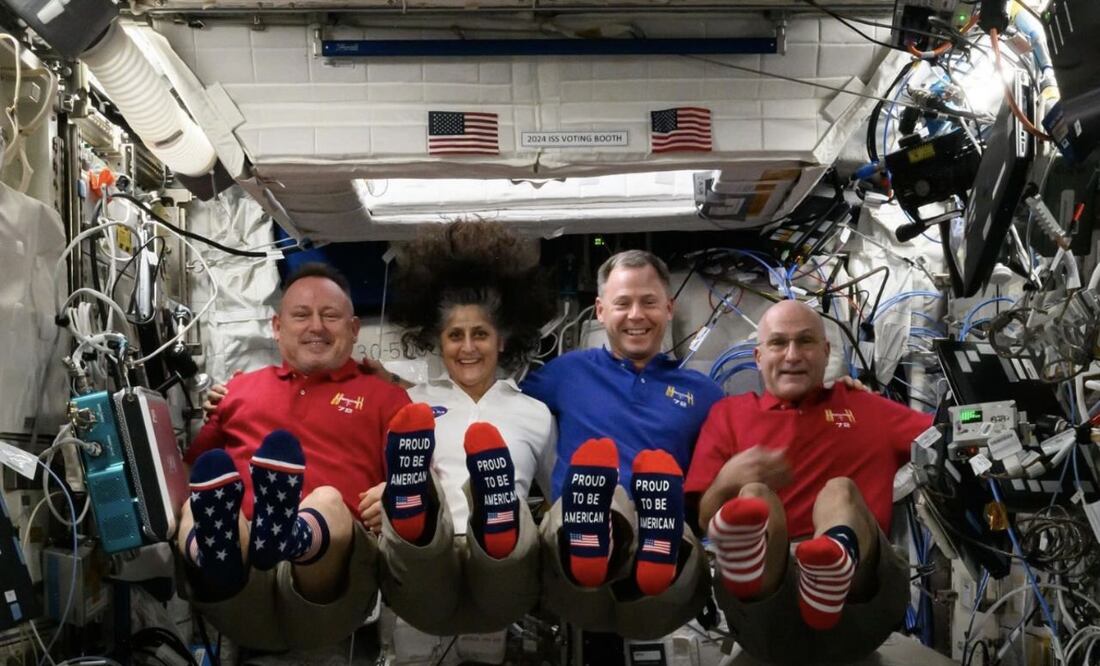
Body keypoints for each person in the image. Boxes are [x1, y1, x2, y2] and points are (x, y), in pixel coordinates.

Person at [685, 299, 932, 664]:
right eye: (778, 343)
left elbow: (949, 435)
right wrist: (727, 480)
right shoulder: (729, 416)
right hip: (768, 606)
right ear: (757, 356)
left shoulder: (866, 409)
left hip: (859, 598)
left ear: (826, 351)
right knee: (754, 496)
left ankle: (833, 558)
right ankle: (756, 570)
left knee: (841, 491)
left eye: (805, 341)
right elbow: (704, 517)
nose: (792, 355)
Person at [180, 262, 411, 651]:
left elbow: (421, 482)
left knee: (326, 501)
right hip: (238, 577)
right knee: (197, 500)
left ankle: (293, 536)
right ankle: (215, 555)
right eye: (301, 315)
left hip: (330, 581)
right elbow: (192, 470)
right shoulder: (237, 391)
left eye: (330, 315)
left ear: (354, 329)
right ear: (276, 327)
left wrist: (393, 491)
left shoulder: (387, 398)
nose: (316, 326)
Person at [359, 220, 558, 638]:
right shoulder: (409, 405)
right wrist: (389, 494)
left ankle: (496, 510)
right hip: (431, 562)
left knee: (508, 543)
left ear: (502, 340)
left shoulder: (535, 413)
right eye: (455, 335)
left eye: (480, 334)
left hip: (504, 576)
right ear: (438, 341)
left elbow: (555, 498)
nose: (468, 348)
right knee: (421, 540)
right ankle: (417, 508)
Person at [520, 249, 725, 639]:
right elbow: (491, 402)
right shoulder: (565, 373)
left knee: (665, 528)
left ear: (669, 307)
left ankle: (656, 532)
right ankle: (600, 525)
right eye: (622, 303)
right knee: (601, 494)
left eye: (649, 302)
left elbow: (756, 424)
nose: (636, 315)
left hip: (663, 564)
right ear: (600, 310)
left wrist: (836, 391)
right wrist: (400, 389)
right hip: (574, 552)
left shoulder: (704, 393)